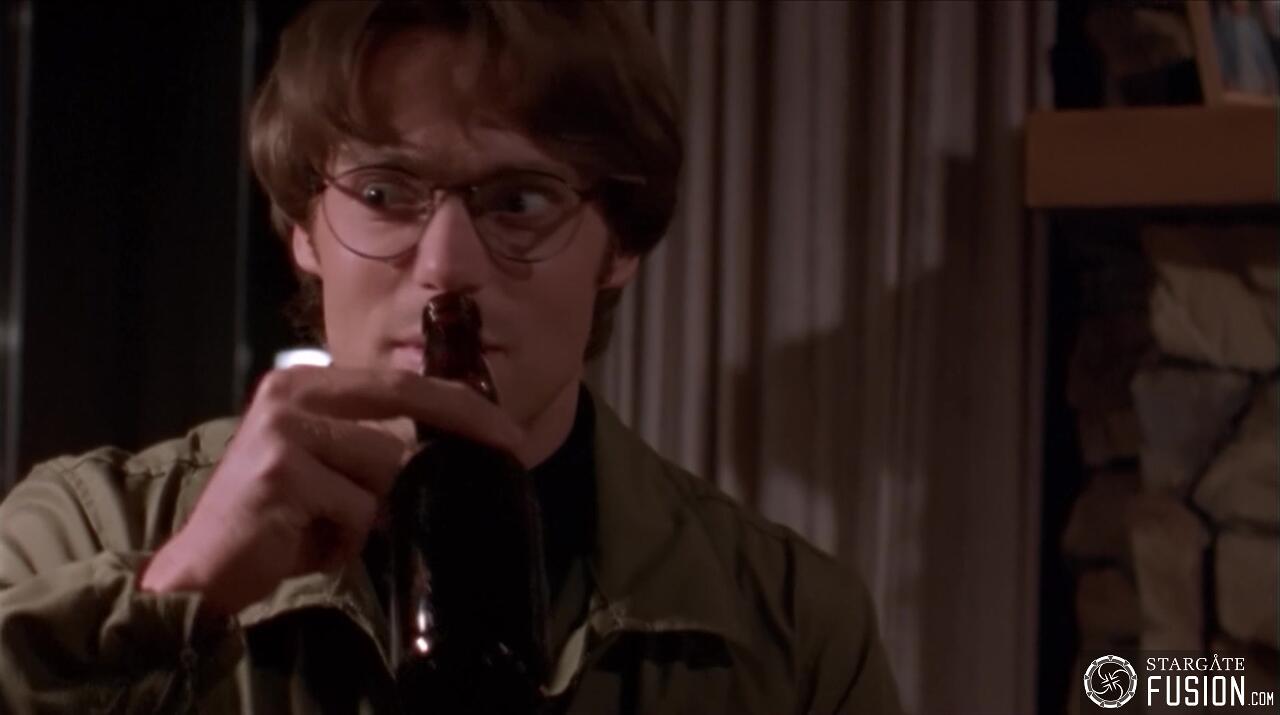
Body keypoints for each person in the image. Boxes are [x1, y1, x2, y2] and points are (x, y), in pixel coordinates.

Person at [0, 2, 902, 713]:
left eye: (518, 201)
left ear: (620, 241)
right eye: (382, 192)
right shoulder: (84, 529)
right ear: (304, 227)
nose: (444, 266)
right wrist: (182, 588)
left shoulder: (790, 630)